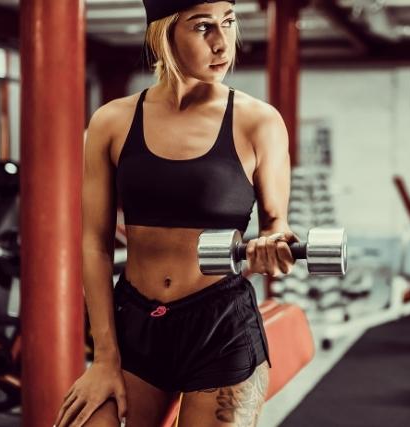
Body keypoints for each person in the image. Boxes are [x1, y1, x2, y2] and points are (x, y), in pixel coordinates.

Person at [53, 1, 296, 426]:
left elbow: (277, 225)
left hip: (221, 327)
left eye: (228, 23)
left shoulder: (259, 122)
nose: (223, 44)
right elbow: (94, 243)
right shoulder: (112, 121)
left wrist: (273, 244)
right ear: (164, 33)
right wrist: (105, 356)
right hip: (136, 324)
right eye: (203, 27)